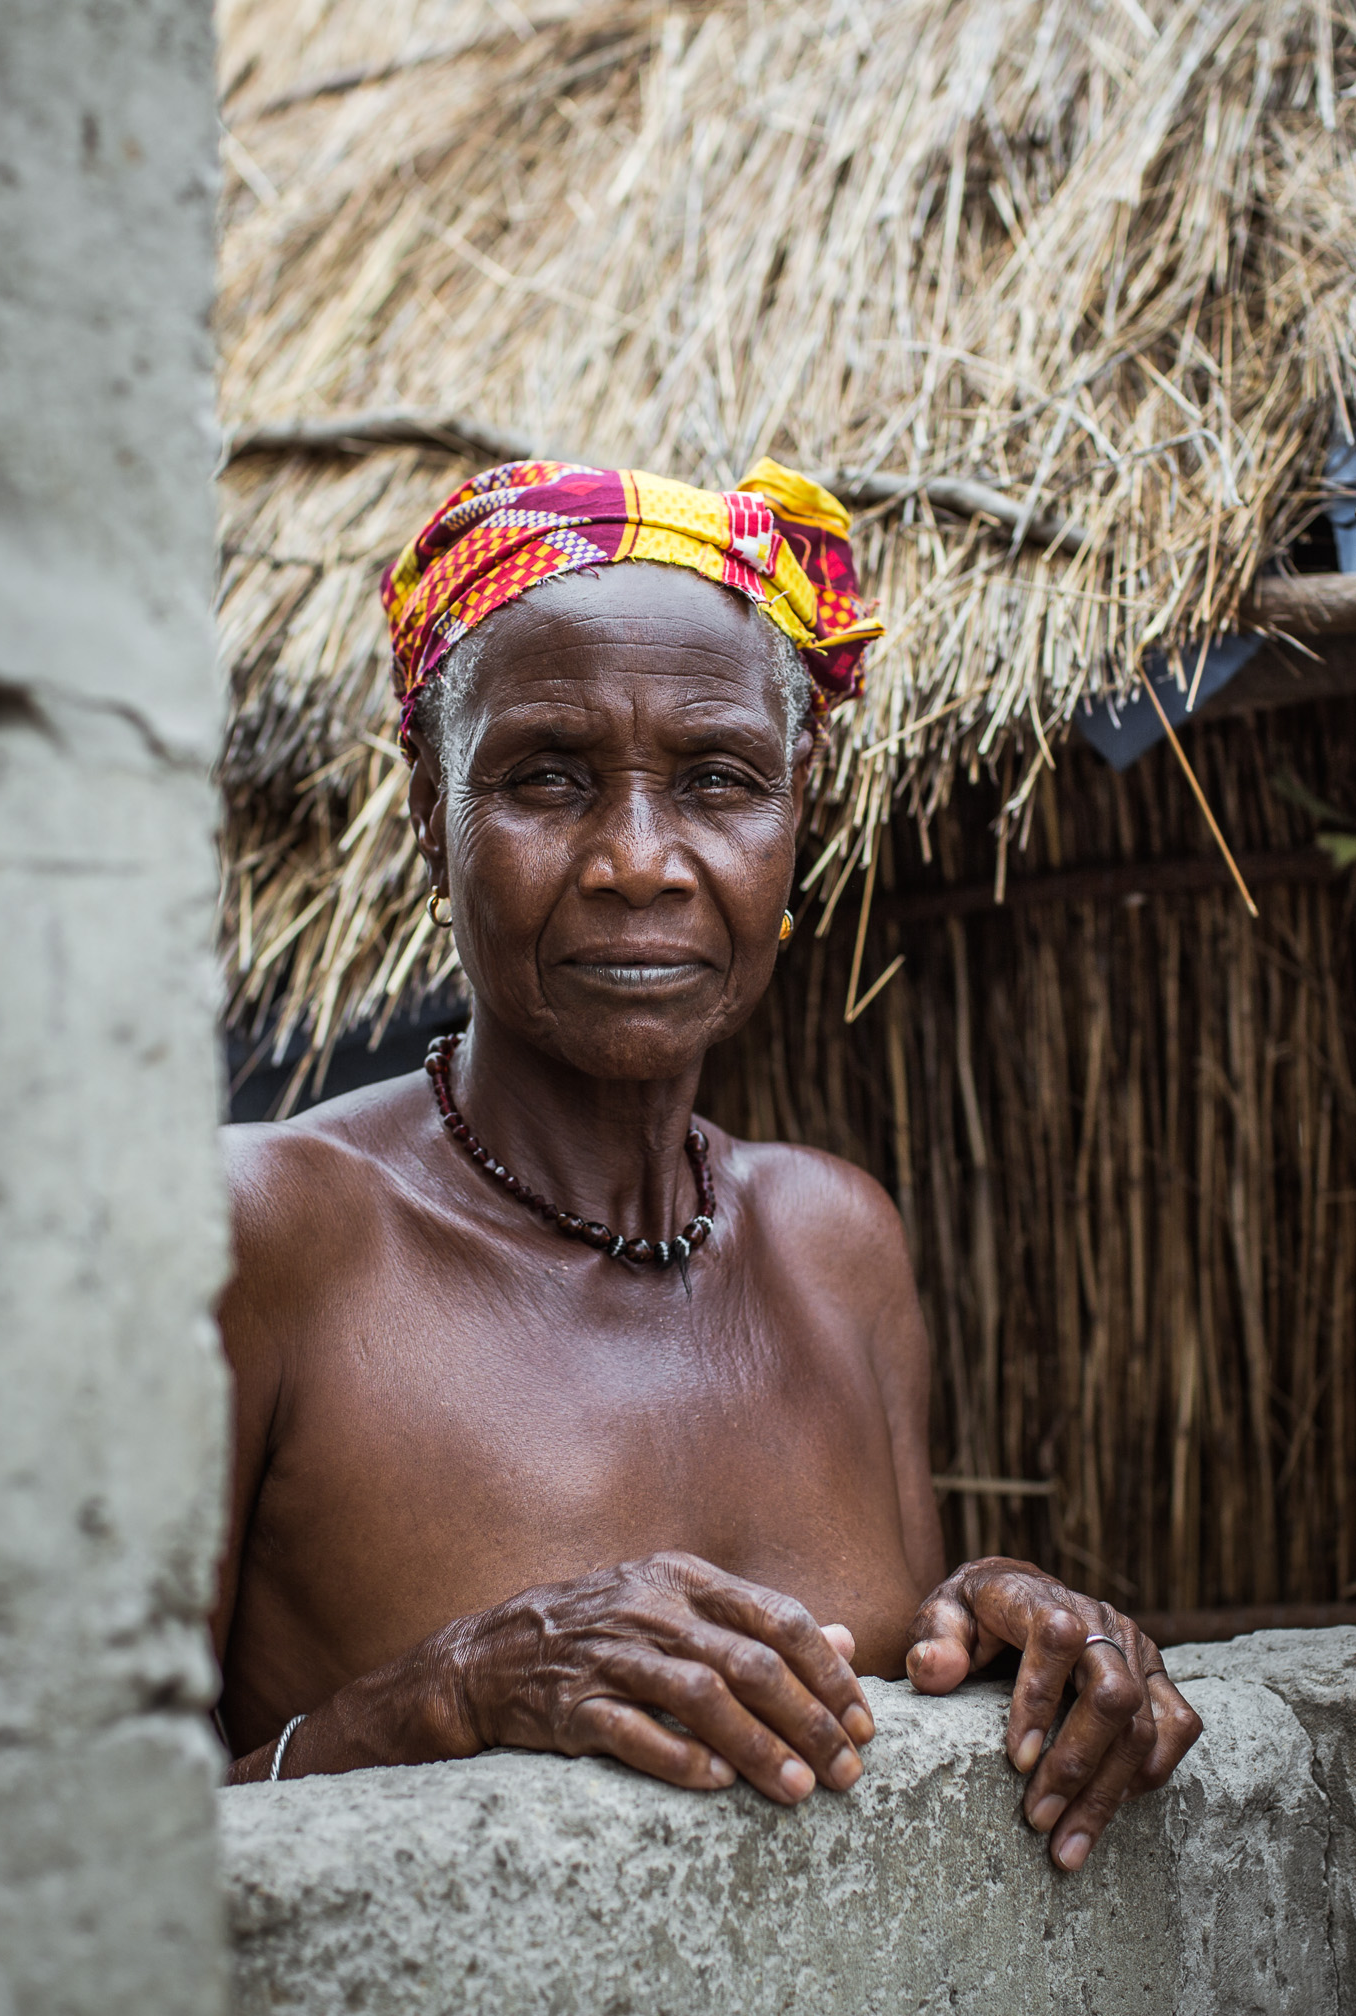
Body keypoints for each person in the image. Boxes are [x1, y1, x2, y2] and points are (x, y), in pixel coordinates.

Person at [216, 458, 1202, 1872]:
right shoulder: (259, 1238)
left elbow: (858, 1732)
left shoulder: (833, 1239)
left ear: (799, 808)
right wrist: (441, 1697)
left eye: (716, 782)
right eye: (545, 776)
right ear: (431, 814)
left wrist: (993, 1633)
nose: (636, 860)